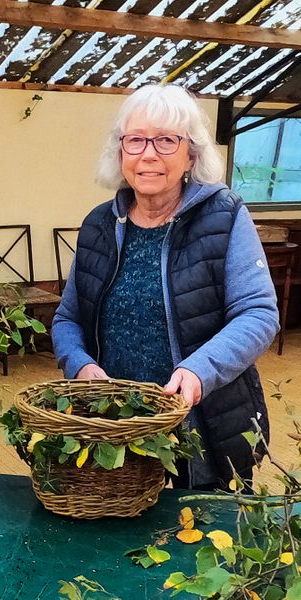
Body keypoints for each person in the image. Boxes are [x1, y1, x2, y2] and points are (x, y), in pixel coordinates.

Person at [52, 84, 279, 491]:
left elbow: (259, 313)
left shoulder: (225, 216)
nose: (149, 154)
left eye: (166, 140)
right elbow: (68, 317)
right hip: (120, 428)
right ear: (121, 151)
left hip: (204, 425)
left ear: (191, 152)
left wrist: (198, 370)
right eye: (136, 140)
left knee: (204, 539)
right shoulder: (98, 225)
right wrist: (79, 365)